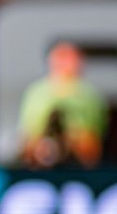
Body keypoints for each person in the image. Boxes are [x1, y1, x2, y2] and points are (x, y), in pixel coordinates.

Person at [18, 41, 108, 169]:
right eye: (61, 58)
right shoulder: (36, 93)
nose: (67, 64)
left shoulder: (90, 96)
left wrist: (72, 140)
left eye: (70, 58)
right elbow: (27, 140)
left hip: (79, 168)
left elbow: (94, 144)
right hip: (41, 169)